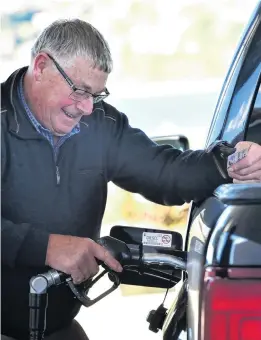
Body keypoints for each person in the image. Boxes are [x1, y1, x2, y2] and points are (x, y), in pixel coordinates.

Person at [1, 19, 260, 340]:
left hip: (57, 327)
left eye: (96, 95)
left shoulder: (102, 124)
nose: (86, 108)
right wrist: (45, 247)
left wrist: (227, 163)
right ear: (41, 67)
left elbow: (166, 174)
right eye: (80, 91)